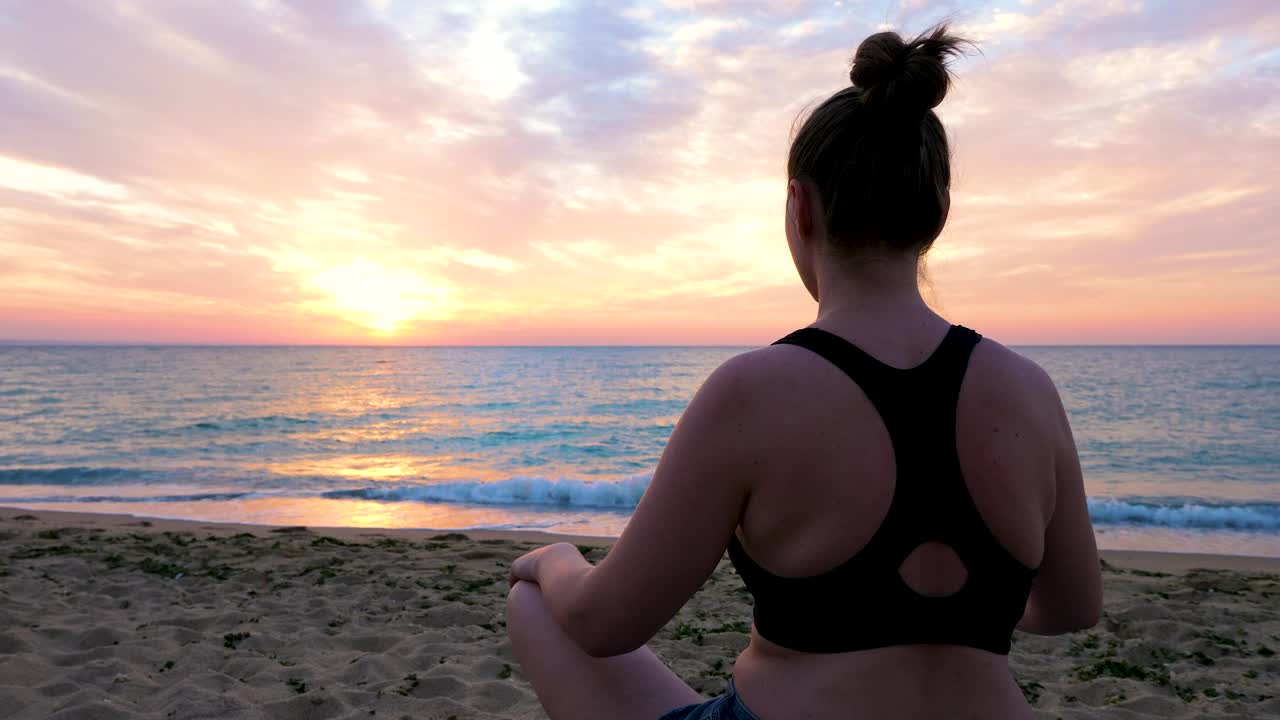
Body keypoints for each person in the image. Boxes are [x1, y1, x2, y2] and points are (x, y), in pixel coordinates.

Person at [505, 24, 1102, 720]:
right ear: (938, 214)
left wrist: (551, 560)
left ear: (800, 208)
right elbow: (1072, 606)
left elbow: (602, 623)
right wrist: (952, 614)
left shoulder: (751, 391)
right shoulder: (1030, 389)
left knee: (535, 606)